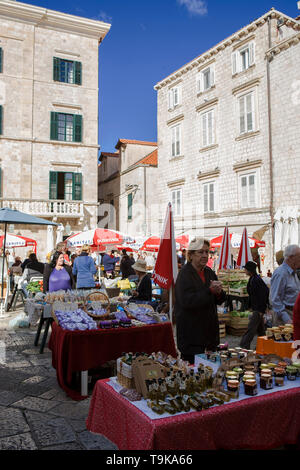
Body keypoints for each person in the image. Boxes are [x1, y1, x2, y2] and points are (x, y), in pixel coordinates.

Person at [174, 237, 226, 364]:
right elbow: (187, 301)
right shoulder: (184, 274)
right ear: (191, 255)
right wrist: (210, 291)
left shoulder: (209, 272)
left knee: (212, 371)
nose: (205, 255)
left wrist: (219, 293)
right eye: (200, 252)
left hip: (209, 336)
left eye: (207, 252)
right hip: (191, 336)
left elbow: (219, 300)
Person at [239, 261, 270, 349]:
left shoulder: (256, 280)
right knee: (260, 330)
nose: (244, 270)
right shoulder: (253, 278)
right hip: (256, 308)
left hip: (258, 308)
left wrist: (261, 310)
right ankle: (264, 346)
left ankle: (243, 347)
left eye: (245, 269)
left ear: (250, 270)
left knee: (251, 329)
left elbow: (263, 295)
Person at [270, 244, 300, 325]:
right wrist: (287, 319)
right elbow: (275, 299)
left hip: (293, 313)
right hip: (285, 317)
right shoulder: (280, 273)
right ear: (291, 257)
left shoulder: (293, 272)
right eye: (299, 257)